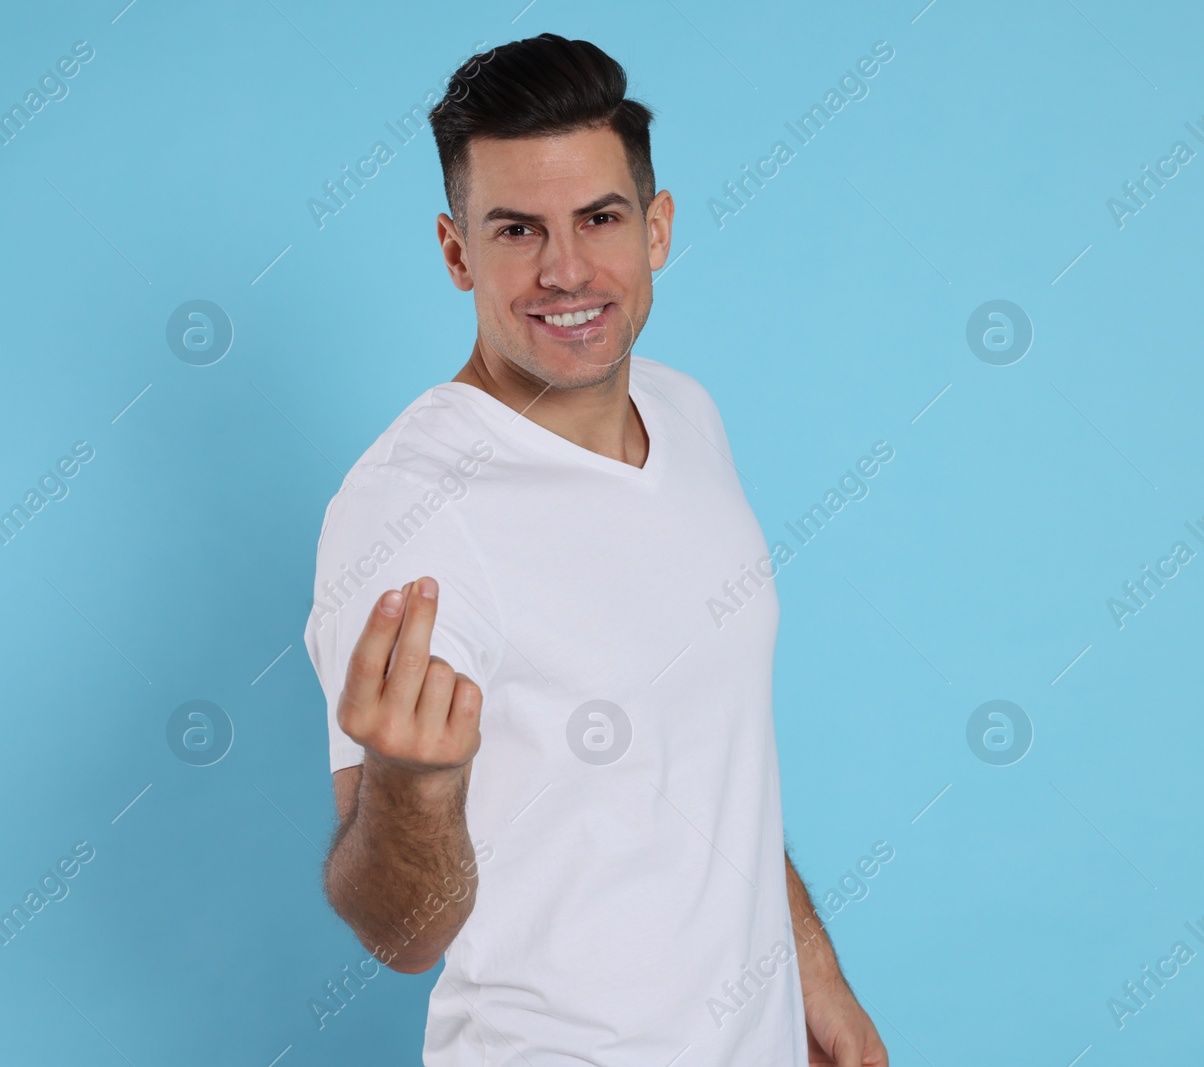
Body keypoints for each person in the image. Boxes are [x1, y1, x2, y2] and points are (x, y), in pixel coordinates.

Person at [301, 32, 889, 1067]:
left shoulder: (684, 410)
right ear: (455, 251)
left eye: (599, 219)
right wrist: (411, 780)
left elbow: (709, 753)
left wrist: (809, 966)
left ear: (655, 227)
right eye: (517, 229)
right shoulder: (410, 512)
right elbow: (398, 933)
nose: (565, 269)